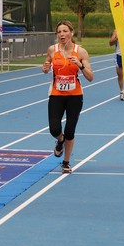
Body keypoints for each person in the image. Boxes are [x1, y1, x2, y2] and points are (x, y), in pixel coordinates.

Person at [42, 20, 93, 174]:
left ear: (71, 33)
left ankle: (66, 162)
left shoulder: (81, 52)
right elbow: (46, 65)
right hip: (56, 94)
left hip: (75, 96)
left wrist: (80, 65)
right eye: (59, 32)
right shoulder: (52, 49)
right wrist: (44, 67)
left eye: (65, 31)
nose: (62, 34)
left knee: (70, 131)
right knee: (54, 129)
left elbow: (90, 77)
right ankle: (60, 141)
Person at [109, 29, 124, 100]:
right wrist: (116, 38)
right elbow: (110, 43)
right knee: (120, 74)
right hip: (119, 54)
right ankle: (122, 91)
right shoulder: (117, 30)